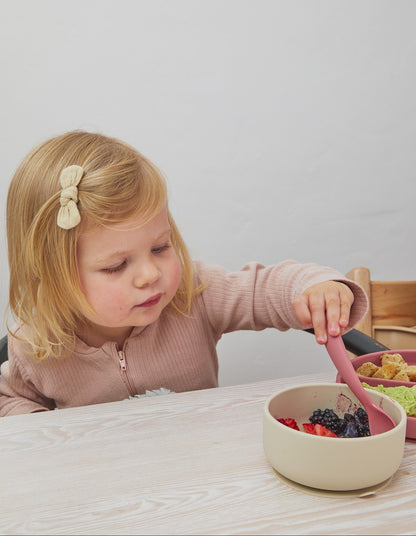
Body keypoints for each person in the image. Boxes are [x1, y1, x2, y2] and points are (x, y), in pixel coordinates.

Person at [0, 130, 368, 416]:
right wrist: (48, 439)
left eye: (160, 247)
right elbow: (11, 401)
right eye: (116, 265)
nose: (149, 274)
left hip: (202, 479)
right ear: (49, 277)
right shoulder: (33, 344)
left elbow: (263, 289)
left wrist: (317, 286)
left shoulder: (194, 295)